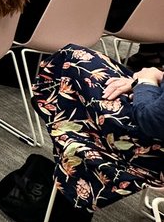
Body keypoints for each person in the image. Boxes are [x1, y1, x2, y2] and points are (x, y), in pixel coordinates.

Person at [33, 47, 164, 213]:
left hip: (151, 148)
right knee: (79, 64)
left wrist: (146, 83)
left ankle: (68, 182)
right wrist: (154, 80)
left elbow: (152, 120)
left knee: (70, 60)